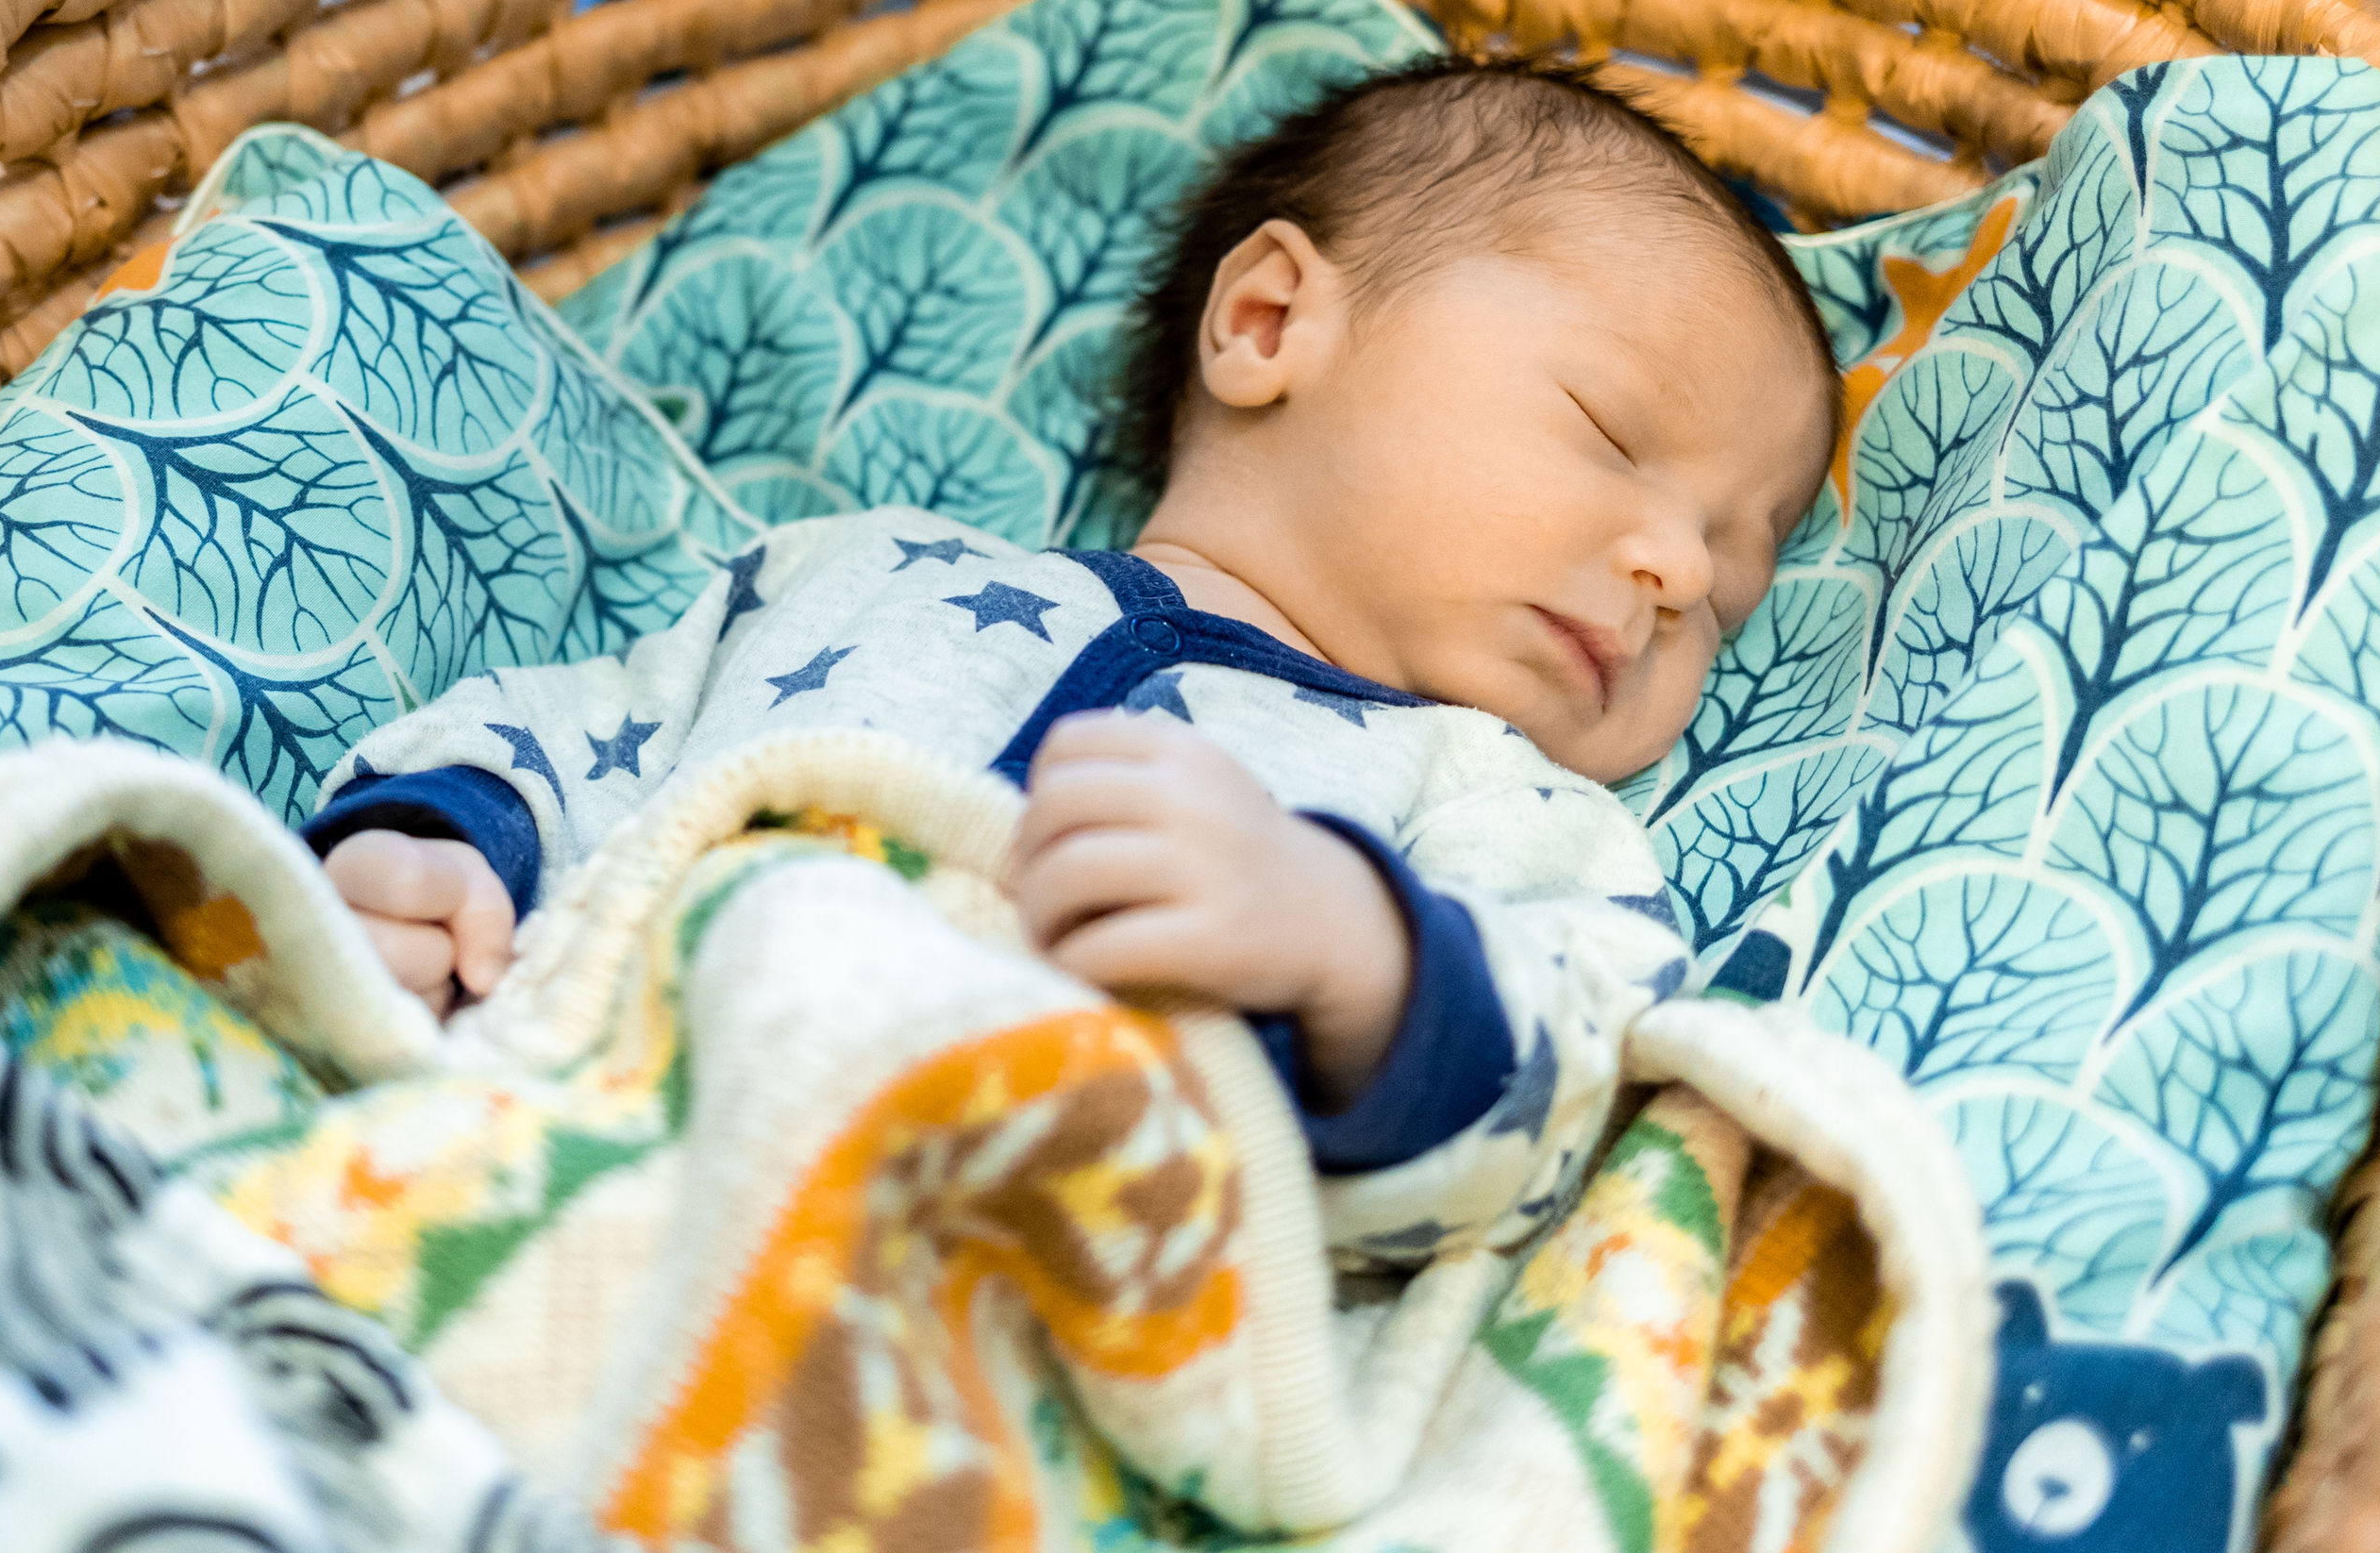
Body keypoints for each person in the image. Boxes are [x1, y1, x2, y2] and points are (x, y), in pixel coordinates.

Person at [295, 55, 1839, 1251]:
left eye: (1730, 594)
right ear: (1267, 320)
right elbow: (590, 730)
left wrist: (1357, 960)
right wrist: (443, 848)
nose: (1677, 569)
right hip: (555, 1159)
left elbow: (1568, 1087)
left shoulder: (1497, 811)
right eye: (1610, 429)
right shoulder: (871, 571)